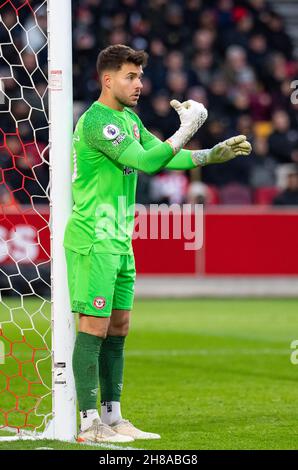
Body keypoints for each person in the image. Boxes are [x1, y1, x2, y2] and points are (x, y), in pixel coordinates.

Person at [63, 44, 252, 444]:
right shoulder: (98, 122)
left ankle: (113, 418)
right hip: (94, 237)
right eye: (131, 77)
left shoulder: (130, 119)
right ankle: (87, 424)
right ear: (107, 79)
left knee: (119, 326)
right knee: (93, 326)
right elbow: (150, 163)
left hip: (119, 237)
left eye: (141, 77)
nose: (139, 85)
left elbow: (160, 156)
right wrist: (186, 128)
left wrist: (208, 156)